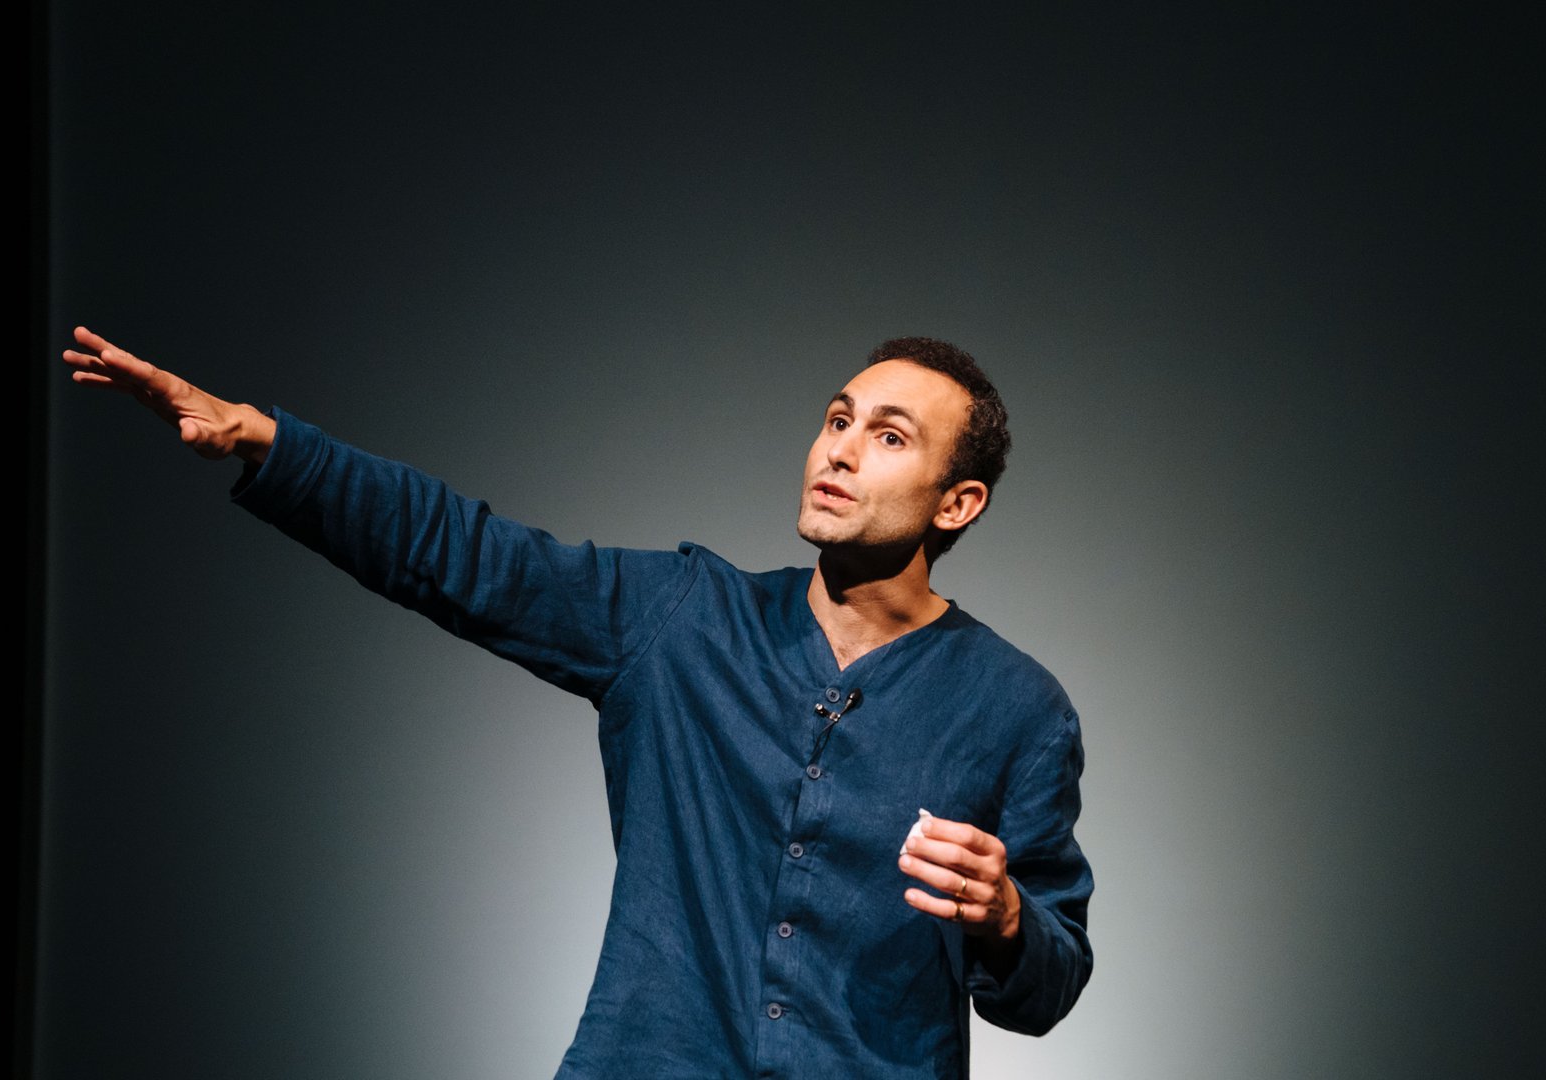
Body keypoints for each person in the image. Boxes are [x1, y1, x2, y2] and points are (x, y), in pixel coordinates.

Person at [63, 326, 1094, 1079]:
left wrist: (1007, 919)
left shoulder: (1016, 708)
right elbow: (461, 555)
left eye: (889, 436)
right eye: (835, 420)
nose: (838, 449)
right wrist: (266, 443)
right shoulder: (686, 620)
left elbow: (1047, 985)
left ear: (957, 503)